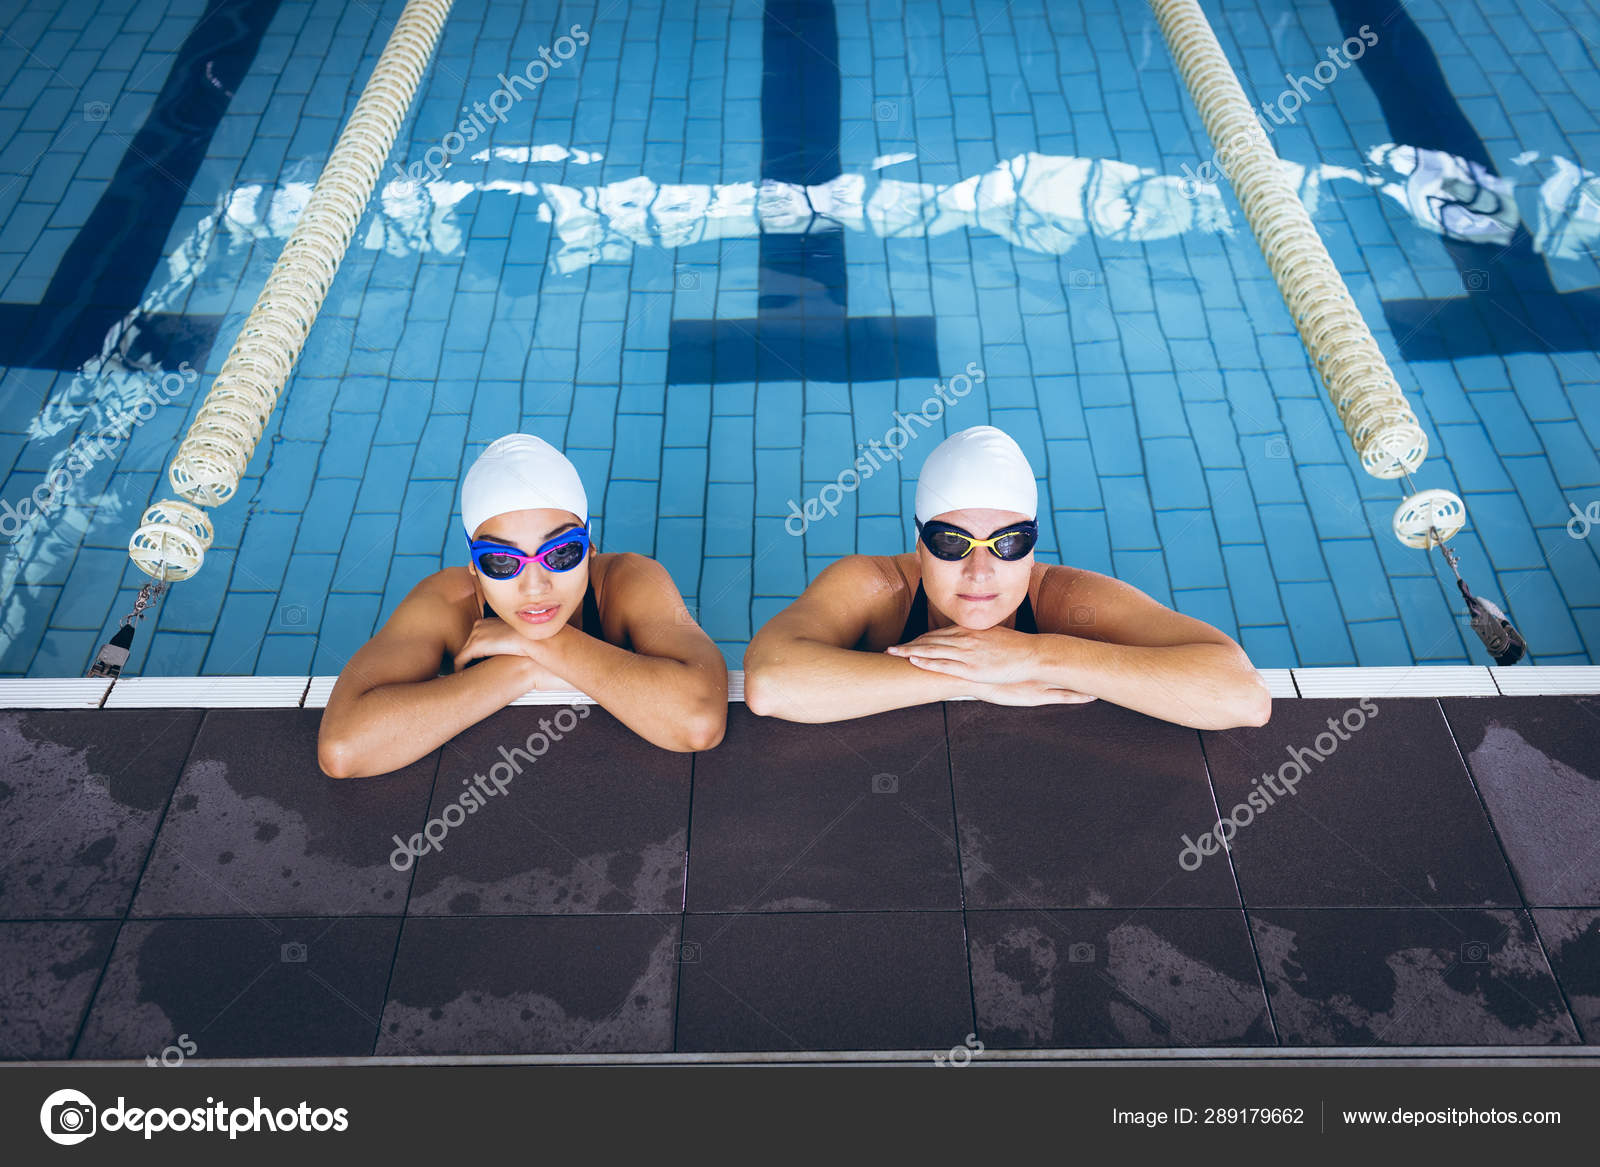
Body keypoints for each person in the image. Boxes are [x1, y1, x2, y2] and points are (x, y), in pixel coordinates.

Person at [743, 424, 1270, 730]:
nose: (980, 570)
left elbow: (1242, 696)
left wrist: (1035, 655)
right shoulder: (875, 589)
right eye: (952, 543)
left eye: (1008, 542)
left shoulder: (1071, 602)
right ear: (919, 541)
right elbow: (770, 686)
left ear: (1033, 548)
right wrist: (974, 674)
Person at [318, 433, 727, 777]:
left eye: (562, 553)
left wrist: (541, 646)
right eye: (501, 562)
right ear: (474, 570)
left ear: (590, 549)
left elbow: (698, 722)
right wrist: (522, 670)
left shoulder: (628, 583)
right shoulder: (447, 602)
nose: (535, 586)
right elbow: (343, 749)